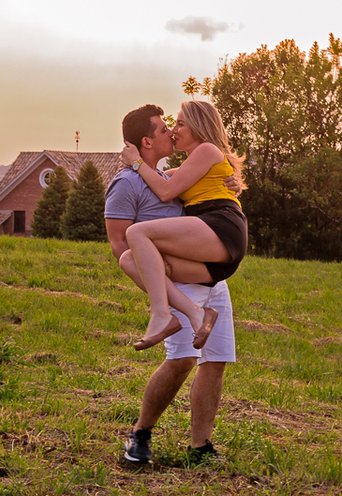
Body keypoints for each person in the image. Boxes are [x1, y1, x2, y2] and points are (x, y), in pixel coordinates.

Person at [106, 103, 237, 465]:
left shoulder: (171, 173)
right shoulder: (127, 182)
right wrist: (157, 285)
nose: (172, 132)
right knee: (181, 359)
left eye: (175, 126)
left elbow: (211, 190)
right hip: (176, 279)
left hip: (209, 273)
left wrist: (232, 180)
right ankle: (141, 433)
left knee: (216, 359)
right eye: (165, 129)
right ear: (147, 141)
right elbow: (121, 245)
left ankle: (200, 447)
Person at [119, 100, 248, 355]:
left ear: (198, 127)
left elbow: (165, 191)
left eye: (180, 123)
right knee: (129, 259)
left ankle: (160, 314)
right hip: (209, 250)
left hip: (220, 225)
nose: (174, 130)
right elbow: (159, 178)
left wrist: (136, 163)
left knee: (136, 232)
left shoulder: (207, 149)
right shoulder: (190, 165)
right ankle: (196, 313)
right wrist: (132, 166)